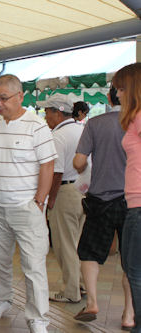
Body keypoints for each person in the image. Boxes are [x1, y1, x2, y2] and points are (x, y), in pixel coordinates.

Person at [0, 74, 57, 333]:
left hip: (27, 207)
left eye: (4, 98)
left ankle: (38, 318)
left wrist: (39, 201)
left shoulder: (37, 126)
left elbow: (48, 164)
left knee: (33, 265)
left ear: (20, 97)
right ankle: (2, 300)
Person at [72, 85, 134, 329]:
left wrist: (83, 168)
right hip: (133, 201)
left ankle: (93, 303)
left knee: (89, 253)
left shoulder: (95, 123)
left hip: (101, 201)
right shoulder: (136, 122)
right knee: (130, 260)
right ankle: (129, 314)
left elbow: (78, 161)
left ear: (109, 98)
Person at [38, 93, 85, 304]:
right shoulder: (82, 129)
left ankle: (71, 291)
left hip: (65, 193)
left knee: (64, 245)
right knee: (78, 243)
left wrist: (51, 200)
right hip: (84, 192)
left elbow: (55, 172)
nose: (45, 116)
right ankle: (82, 284)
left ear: (58, 112)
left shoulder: (58, 136)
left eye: (47, 112)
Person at [115, 63, 141, 332]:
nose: (118, 95)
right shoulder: (134, 119)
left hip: (139, 207)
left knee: (134, 271)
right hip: (134, 204)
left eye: (121, 89)